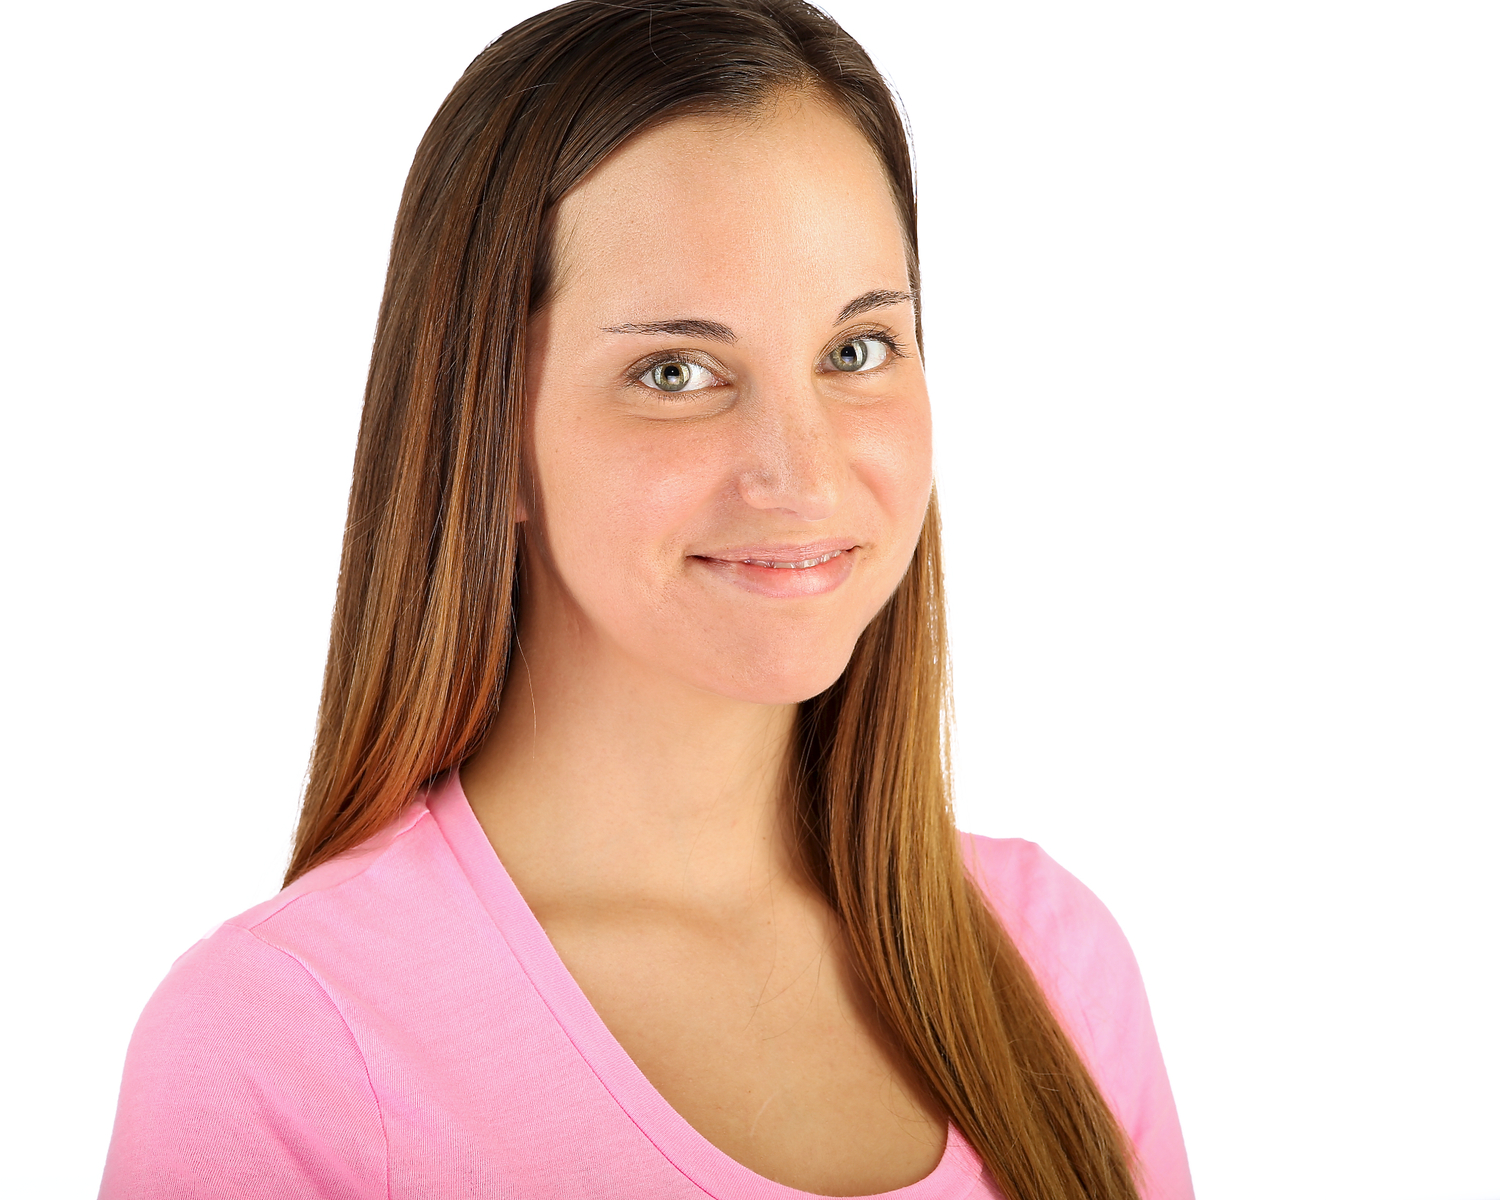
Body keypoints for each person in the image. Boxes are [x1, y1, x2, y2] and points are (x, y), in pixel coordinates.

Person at [99, 2, 1193, 1197]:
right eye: (676, 372)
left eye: (856, 350)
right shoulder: (284, 1048)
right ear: (488, 432)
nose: (804, 476)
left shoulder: (1056, 963)